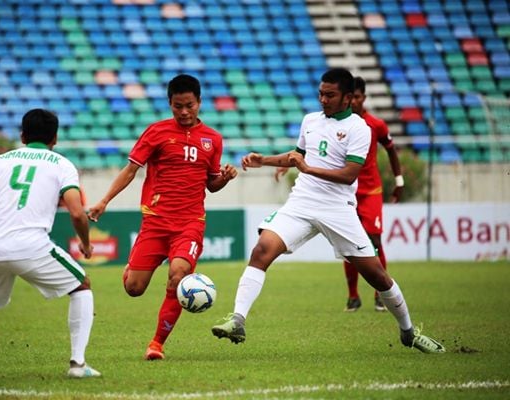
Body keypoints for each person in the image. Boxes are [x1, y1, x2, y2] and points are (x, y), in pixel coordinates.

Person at [211, 68, 444, 354]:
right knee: (261, 250)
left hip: (338, 209)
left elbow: (349, 175)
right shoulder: (310, 120)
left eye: (330, 95)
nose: (323, 99)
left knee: (378, 276)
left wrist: (308, 168)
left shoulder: (360, 128)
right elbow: (299, 156)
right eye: (321, 93)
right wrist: (265, 160)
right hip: (302, 202)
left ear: (348, 97)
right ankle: (237, 320)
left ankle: (408, 332)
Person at [0, 109, 101, 382]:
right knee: (81, 285)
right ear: (55, 138)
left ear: (22, 136)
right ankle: (78, 363)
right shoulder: (61, 164)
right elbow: (76, 212)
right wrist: (85, 243)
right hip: (32, 246)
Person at [88, 74, 237, 360]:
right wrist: (104, 200)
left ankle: (156, 344)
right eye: (178, 106)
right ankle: (131, 270)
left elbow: (211, 184)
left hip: (190, 223)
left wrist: (225, 179)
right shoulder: (156, 132)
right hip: (156, 222)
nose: (184, 112)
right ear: (169, 103)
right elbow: (130, 170)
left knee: (178, 275)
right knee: (134, 288)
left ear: (199, 103)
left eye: (189, 106)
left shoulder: (213, 139)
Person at [274, 76, 404, 312]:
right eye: (351, 97)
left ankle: (379, 294)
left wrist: (399, 179)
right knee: (349, 249)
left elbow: (392, 150)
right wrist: (286, 162)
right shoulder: (326, 123)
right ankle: (353, 296)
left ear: (362, 97)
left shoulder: (372, 125)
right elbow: (306, 150)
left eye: (357, 97)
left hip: (370, 189)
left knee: (374, 239)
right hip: (339, 192)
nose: (354, 101)